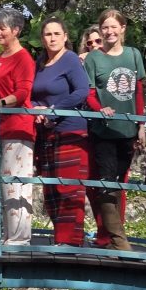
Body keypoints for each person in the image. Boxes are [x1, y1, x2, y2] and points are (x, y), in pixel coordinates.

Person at [84, 8, 146, 251]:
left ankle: (111, 237)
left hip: (127, 130)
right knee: (108, 180)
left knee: (120, 181)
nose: (109, 31)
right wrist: (100, 108)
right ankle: (120, 241)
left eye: (113, 27)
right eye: (105, 27)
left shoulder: (133, 55)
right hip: (103, 130)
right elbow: (88, 93)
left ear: (122, 29)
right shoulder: (94, 59)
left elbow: (138, 92)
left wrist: (141, 125)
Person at [32, 17, 90, 246]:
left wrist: (53, 111)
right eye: (48, 34)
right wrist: (37, 109)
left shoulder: (71, 60)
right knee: (51, 188)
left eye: (57, 33)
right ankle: (60, 238)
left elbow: (81, 92)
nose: (52, 38)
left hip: (70, 131)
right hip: (46, 133)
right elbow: (34, 93)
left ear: (65, 36)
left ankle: (71, 241)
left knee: (69, 188)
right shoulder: (40, 62)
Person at [0, 8, 36, 243]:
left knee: (17, 182)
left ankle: (19, 237)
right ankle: (8, 234)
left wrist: (1, 102)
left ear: (16, 30)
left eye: (2, 28)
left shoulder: (23, 57)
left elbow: (24, 91)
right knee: (5, 183)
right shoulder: (1, 57)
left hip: (17, 126)